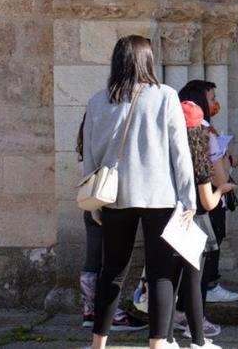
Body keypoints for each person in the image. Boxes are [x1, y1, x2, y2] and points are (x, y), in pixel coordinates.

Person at [83, 35, 196, 349]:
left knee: (113, 269)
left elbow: (89, 155)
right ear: (148, 61)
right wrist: (189, 199)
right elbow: (179, 152)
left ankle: (98, 343)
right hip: (159, 195)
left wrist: (94, 204)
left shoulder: (97, 100)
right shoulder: (165, 97)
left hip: (114, 197)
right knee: (160, 271)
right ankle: (158, 343)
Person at [167, 101, 236, 348]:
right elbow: (207, 202)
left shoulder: (165, 153)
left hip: (167, 223)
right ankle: (198, 339)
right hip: (194, 226)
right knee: (194, 284)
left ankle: (165, 338)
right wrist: (222, 189)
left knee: (169, 283)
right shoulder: (198, 159)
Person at [75, 115, 147, 333]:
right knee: (111, 263)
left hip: (92, 200)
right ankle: (112, 315)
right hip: (110, 201)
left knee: (94, 258)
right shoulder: (108, 142)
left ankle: (90, 311)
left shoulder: (85, 142)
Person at [179, 79, 238, 304]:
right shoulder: (207, 136)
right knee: (210, 246)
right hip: (208, 200)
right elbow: (219, 177)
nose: (216, 103)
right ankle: (210, 287)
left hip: (185, 203)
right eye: (212, 99)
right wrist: (225, 159)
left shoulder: (181, 132)